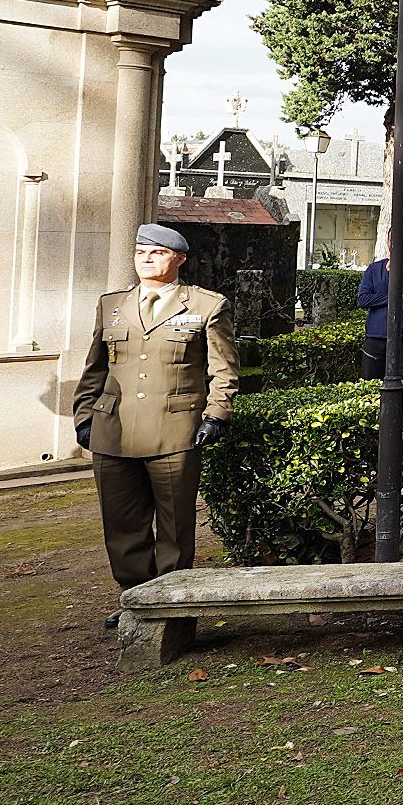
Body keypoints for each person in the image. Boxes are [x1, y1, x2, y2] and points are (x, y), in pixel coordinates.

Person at [75, 224, 239, 612]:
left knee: (174, 527)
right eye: (140, 252)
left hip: (174, 430)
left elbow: (225, 369)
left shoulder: (206, 305)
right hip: (113, 429)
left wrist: (217, 413)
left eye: (157, 253)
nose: (146, 259)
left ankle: (170, 604)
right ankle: (134, 600)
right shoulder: (111, 304)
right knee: (121, 525)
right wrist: (84, 416)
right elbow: (94, 368)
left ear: (179, 259)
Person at [355, 227, 403, 380]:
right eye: (392, 240)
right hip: (376, 337)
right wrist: (398, 295)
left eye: (401, 240)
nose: (396, 244)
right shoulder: (374, 269)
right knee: (370, 386)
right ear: (387, 242)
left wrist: (393, 273)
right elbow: (363, 299)